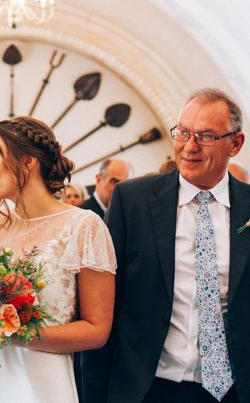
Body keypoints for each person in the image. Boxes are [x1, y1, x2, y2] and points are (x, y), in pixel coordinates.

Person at [83, 88, 250, 403]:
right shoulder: (131, 201)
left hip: (232, 390)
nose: (189, 147)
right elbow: (104, 307)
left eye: (205, 136)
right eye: (183, 133)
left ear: (235, 144)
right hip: (148, 388)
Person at [0, 117, 116, 403]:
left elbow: (97, 330)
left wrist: (17, 335)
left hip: (44, 384)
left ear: (27, 160)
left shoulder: (83, 226)